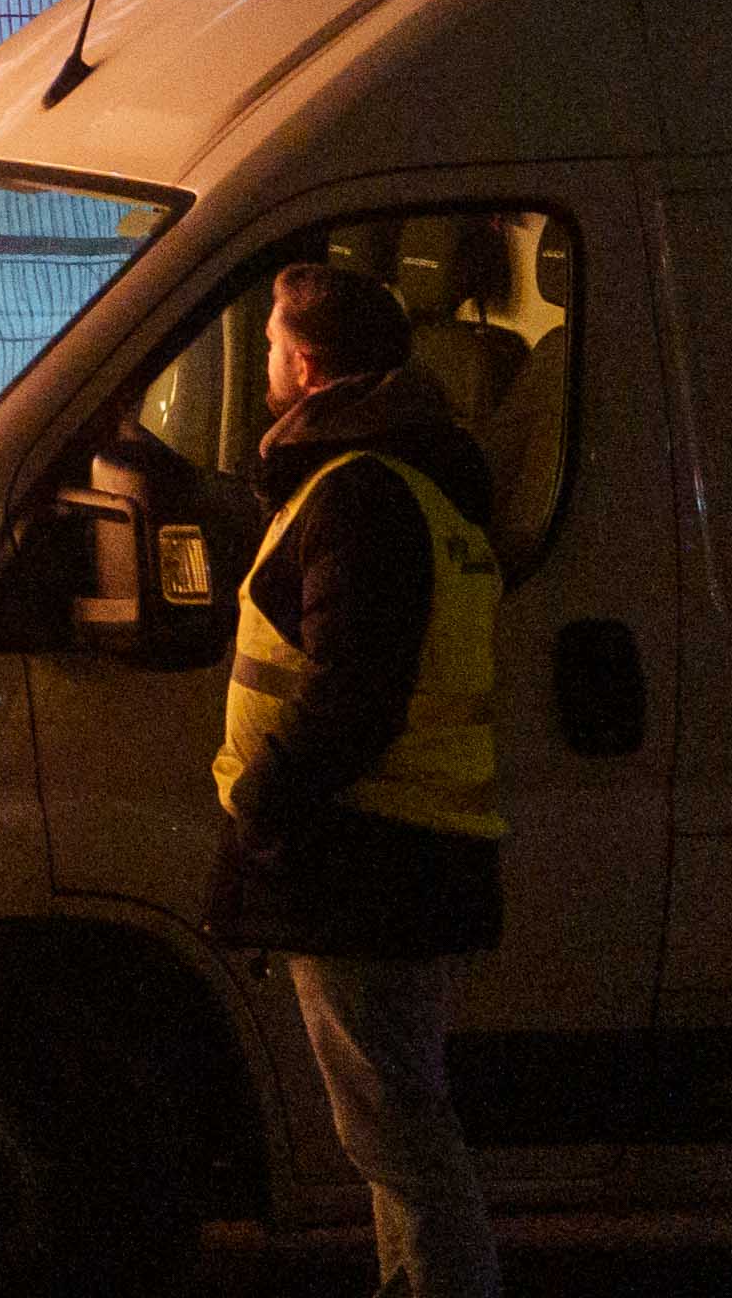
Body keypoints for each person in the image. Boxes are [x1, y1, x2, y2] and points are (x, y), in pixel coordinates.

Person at [210, 260, 504, 1298]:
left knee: (398, 1131)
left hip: (363, 853)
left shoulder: (361, 494)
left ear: (306, 364)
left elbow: (353, 693)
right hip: (393, 848)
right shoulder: (394, 479)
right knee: (392, 1124)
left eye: (272, 345)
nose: (267, 363)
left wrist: (264, 798)